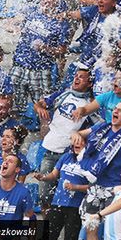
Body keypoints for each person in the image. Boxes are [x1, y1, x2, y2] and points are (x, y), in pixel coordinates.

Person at [72, 100, 121, 240]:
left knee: (113, 230)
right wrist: (76, 135)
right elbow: (79, 134)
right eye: (115, 108)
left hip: (115, 189)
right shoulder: (102, 128)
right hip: (96, 188)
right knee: (91, 228)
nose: (115, 111)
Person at [34, 67, 94, 211]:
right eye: (76, 76)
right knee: (44, 194)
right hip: (50, 150)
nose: (76, 79)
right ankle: (48, 224)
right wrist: (40, 109)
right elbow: (38, 103)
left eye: (81, 77)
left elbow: (98, 126)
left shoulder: (91, 103)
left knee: (65, 195)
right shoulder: (62, 94)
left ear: (90, 83)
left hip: (70, 155)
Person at [9, 0, 70, 114]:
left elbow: (62, 50)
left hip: (41, 70)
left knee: (43, 108)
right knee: (13, 105)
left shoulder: (61, 22)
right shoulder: (31, 11)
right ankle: (13, 131)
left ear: (57, 1)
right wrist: (15, 29)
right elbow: (9, 23)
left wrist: (45, 48)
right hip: (19, 65)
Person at [34, 139, 94, 240]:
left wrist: (75, 187)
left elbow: (93, 187)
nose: (77, 144)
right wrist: (43, 177)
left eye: (81, 142)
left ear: (87, 145)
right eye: (75, 141)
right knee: (47, 239)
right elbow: (53, 175)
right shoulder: (66, 157)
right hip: (57, 203)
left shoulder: (91, 162)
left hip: (75, 206)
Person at [66, 0, 121, 68]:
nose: (100, 1)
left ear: (114, 3)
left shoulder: (119, 21)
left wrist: (113, 59)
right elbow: (74, 14)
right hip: (86, 59)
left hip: (104, 65)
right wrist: (57, 15)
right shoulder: (94, 10)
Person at [74, 70, 121, 136]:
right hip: (108, 134)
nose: (115, 82)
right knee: (77, 136)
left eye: (119, 80)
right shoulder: (108, 96)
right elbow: (87, 109)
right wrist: (81, 110)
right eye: (115, 79)